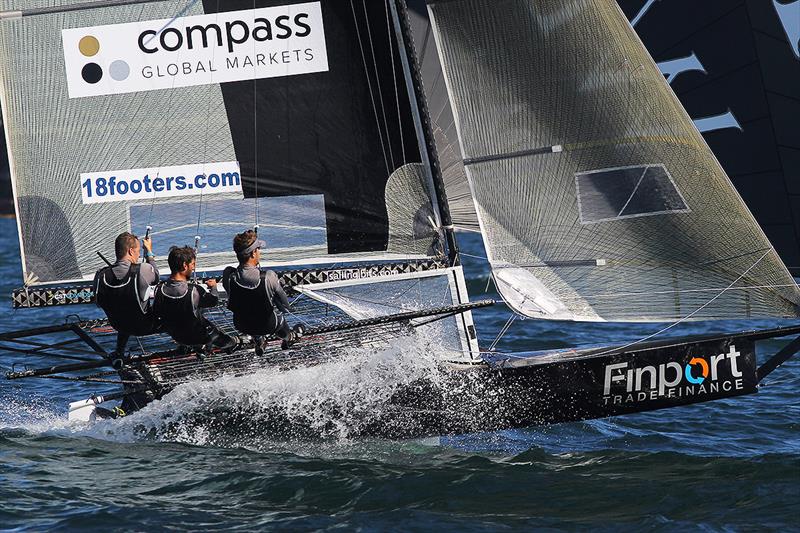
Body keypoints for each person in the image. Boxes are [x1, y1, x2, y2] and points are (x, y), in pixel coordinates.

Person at [223, 230, 303, 352]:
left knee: (249, 310)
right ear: (253, 254)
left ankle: (258, 340)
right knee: (279, 318)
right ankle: (289, 338)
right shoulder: (269, 277)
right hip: (267, 325)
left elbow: (233, 293)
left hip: (241, 324)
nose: (259, 252)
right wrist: (277, 288)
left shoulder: (228, 274)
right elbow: (285, 306)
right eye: (258, 249)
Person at [154, 246, 238, 352]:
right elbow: (213, 301)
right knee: (211, 328)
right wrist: (213, 288)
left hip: (176, 336)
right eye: (192, 264)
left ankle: (191, 346)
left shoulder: (159, 289)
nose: (193, 268)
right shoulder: (194, 291)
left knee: (189, 311)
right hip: (198, 337)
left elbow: (157, 313)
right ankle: (232, 343)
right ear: (185, 266)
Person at [94, 231, 160, 356]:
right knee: (176, 304)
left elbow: (98, 302)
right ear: (130, 251)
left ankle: (119, 351)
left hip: (119, 325)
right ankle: (187, 344)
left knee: (123, 309)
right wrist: (149, 253)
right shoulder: (143, 269)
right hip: (146, 327)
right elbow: (156, 277)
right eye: (138, 251)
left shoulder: (100, 275)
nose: (138, 254)